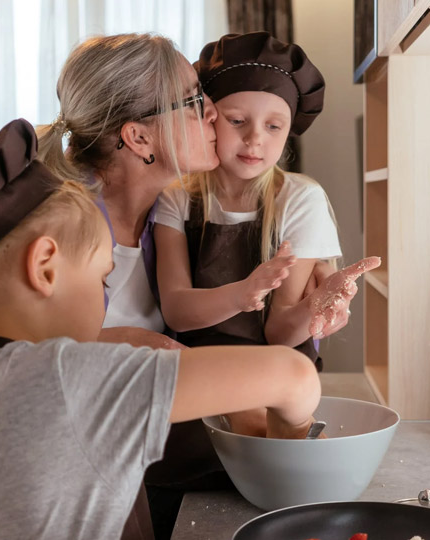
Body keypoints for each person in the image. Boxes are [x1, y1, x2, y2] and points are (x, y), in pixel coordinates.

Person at [0, 119, 322, 540]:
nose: (104, 298)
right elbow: (293, 375)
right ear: (45, 267)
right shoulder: (61, 378)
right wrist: (287, 452)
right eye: (102, 278)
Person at [155, 31, 380, 430]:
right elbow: (177, 311)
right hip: (196, 377)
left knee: (262, 447)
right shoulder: (176, 199)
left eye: (274, 126)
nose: (255, 138)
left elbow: (279, 334)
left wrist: (316, 304)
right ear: (209, 118)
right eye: (237, 120)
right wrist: (242, 294)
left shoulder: (299, 200)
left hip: (273, 382)